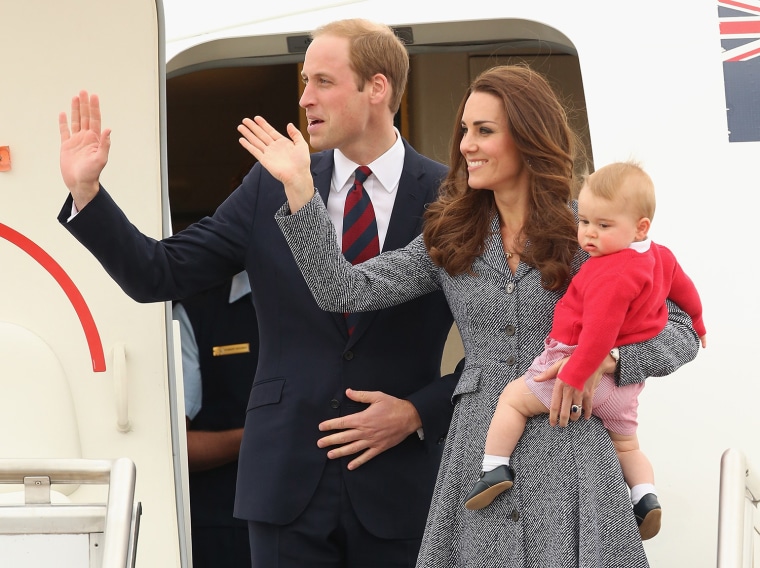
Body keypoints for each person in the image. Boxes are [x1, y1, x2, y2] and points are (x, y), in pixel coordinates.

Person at [237, 65, 701, 567]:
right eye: (464, 130)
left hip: (575, 457)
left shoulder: (588, 232)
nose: (465, 145)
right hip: (478, 456)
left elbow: (683, 332)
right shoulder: (451, 235)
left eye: (484, 131)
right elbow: (341, 289)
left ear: (527, 138)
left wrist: (608, 361)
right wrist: (302, 192)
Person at [57, 18, 460, 568]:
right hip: (285, 483)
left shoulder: (450, 198)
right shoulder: (269, 183)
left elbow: (502, 344)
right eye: (304, 81)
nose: (305, 98)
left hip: (401, 487)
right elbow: (158, 272)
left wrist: (417, 412)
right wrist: (88, 193)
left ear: (378, 88)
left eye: (322, 81)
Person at [462, 161, 707, 543]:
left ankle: (494, 467)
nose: (589, 234)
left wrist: (575, 375)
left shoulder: (610, 272)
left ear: (641, 226)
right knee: (626, 443)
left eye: (603, 226)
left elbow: (598, 334)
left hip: (576, 365)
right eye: (585, 222)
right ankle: (644, 496)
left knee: (512, 401)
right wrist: (700, 321)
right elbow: (686, 291)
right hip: (625, 389)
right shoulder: (659, 256)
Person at [173, 270, 258, 567]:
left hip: (327, 523)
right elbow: (174, 447)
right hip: (226, 529)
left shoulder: (338, 298)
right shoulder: (197, 313)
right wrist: (258, 437)